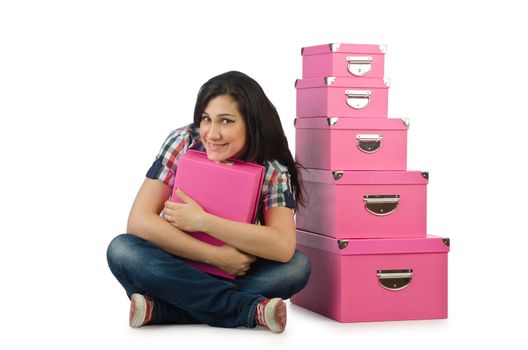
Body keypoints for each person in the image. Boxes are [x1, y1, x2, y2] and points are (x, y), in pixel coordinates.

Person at [106, 71, 311, 333]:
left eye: (226, 121)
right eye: (206, 119)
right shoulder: (183, 141)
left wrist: (204, 221)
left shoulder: (272, 167)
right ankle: (247, 309)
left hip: (233, 270)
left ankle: (164, 308)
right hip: (173, 262)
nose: (212, 134)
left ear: (251, 123)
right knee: (123, 250)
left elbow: (282, 245)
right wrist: (216, 256)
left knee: (296, 267)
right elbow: (139, 221)